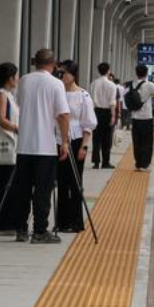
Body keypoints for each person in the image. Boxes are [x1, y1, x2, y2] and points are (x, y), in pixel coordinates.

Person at [11, 49, 71, 244]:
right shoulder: (56, 84)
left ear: (35, 63)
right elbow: (63, 115)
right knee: (43, 191)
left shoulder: (24, 80)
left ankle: (21, 229)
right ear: (53, 65)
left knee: (23, 190)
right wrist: (65, 141)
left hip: (24, 146)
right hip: (45, 147)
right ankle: (39, 231)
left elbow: (19, 104)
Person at [56, 61, 97, 232]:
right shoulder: (57, 93)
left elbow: (88, 123)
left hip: (76, 140)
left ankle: (76, 221)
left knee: (75, 182)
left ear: (74, 74)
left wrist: (84, 147)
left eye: (65, 73)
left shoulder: (83, 95)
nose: (63, 76)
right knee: (61, 182)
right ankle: (61, 221)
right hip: (58, 140)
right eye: (60, 73)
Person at [0, 62, 21, 234]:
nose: (18, 79)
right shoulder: (2, 95)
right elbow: (0, 119)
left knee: (7, 183)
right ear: (10, 78)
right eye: (16, 76)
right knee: (6, 184)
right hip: (7, 144)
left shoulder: (8, 95)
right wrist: (17, 129)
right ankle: (2, 223)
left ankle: (5, 222)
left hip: (10, 144)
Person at [89, 62, 117, 169]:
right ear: (108, 71)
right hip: (107, 112)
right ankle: (106, 162)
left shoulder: (93, 83)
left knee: (96, 137)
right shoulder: (112, 85)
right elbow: (112, 102)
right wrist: (113, 116)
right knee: (107, 138)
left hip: (96, 112)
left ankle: (96, 162)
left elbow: (90, 99)